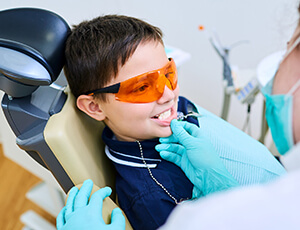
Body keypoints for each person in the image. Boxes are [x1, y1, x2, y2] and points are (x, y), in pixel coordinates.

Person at [58, 14, 285, 230]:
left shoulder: (169, 113)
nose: (168, 95)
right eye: (142, 87)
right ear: (95, 107)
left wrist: (220, 184)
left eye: (168, 74)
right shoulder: (150, 197)